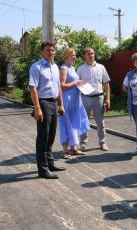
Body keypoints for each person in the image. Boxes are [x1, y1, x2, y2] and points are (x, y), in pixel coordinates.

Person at [29, 41, 66, 179]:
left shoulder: (55, 67)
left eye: (52, 50)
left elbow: (59, 87)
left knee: (51, 136)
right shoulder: (36, 67)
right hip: (43, 103)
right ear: (41, 52)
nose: (51, 52)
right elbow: (33, 88)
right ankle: (43, 169)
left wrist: (61, 105)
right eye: (48, 50)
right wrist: (37, 108)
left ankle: (50, 163)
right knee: (43, 137)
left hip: (54, 102)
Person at [77, 47, 111, 152]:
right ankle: (82, 143)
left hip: (98, 98)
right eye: (89, 54)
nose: (91, 56)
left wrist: (108, 99)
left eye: (93, 53)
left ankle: (103, 142)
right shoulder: (80, 69)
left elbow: (106, 83)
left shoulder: (101, 67)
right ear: (84, 56)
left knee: (100, 122)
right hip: (85, 98)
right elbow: (77, 84)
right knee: (84, 121)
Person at [59, 47, 90, 159]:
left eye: (75, 55)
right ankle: (64, 150)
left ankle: (74, 148)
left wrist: (80, 84)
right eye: (72, 55)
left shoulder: (73, 68)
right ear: (66, 56)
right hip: (67, 100)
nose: (75, 57)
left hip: (76, 100)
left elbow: (73, 83)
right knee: (66, 123)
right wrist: (75, 82)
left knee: (75, 123)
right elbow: (62, 86)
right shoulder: (63, 68)